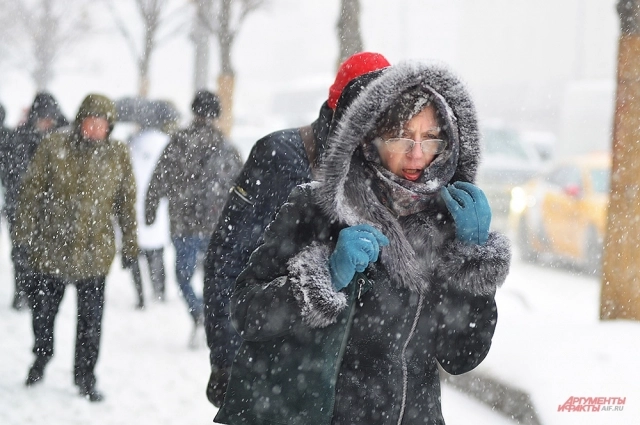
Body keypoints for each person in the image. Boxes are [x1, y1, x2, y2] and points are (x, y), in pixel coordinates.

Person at [214, 61, 512, 425]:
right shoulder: (315, 209)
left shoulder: (443, 224)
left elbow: (462, 356)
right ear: (369, 141)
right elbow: (247, 311)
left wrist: (472, 260)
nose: (417, 154)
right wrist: (323, 278)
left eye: (431, 137)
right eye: (402, 137)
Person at [202, 51, 391, 407]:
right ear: (343, 107)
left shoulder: (384, 174)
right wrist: (225, 358)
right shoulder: (281, 154)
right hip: (273, 373)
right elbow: (226, 258)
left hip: (342, 389)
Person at [13, 94, 138, 402]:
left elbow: (126, 203)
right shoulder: (54, 147)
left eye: (101, 124)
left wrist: (131, 245)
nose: (95, 129)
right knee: (43, 315)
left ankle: (85, 377)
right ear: (80, 121)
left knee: (91, 324)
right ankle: (41, 358)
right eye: (90, 122)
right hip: (51, 249)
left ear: (110, 127)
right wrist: (23, 237)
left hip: (94, 254)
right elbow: (30, 194)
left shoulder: (117, 154)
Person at [145, 90, 242, 345]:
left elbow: (158, 178)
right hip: (216, 225)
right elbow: (243, 185)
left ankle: (198, 313)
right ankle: (212, 318)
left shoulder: (178, 142)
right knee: (216, 278)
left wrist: (150, 209)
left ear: (194, 111)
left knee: (183, 277)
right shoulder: (226, 146)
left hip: (183, 225)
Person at [0, 93, 68, 311]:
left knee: (46, 254)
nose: (46, 122)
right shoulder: (19, 139)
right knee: (21, 252)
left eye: (50, 118)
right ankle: (22, 292)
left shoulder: (64, 139)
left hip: (51, 210)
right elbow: (12, 174)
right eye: (42, 117)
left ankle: (40, 293)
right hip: (19, 206)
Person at [128, 100, 179, 308]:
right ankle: (159, 290)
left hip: (132, 204)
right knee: (155, 250)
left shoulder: (132, 143)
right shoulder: (168, 142)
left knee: (134, 252)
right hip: (157, 205)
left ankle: (140, 296)